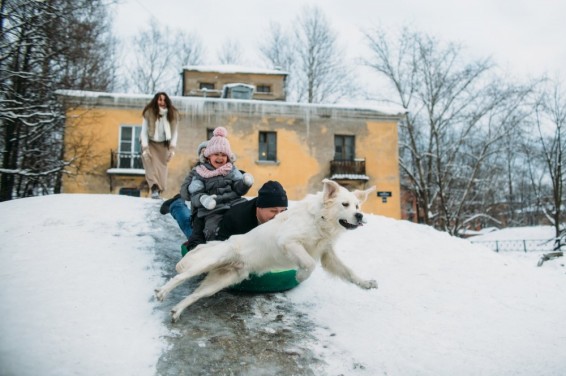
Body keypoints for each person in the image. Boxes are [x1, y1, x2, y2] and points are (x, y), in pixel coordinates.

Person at [185, 126, 254, 251]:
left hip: (233, 202)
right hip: (213, 208)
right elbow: (195, 193)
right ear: (208, 156)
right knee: (212, 229)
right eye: (216, 154)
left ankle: (249, 245)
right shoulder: (200, 172)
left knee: (247, 215)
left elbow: (238, 188)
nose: (220, 158)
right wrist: (204, 199)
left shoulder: (231, 170)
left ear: (228, 157)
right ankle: (214, 251)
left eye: (223, 155)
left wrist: (244, 183)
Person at [159, 141, 208, 239]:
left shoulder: (228, 170)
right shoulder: (197, 171)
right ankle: (177, 205)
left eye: (208, 152)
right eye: (203, 153)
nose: (205, 155)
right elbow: (186, 191)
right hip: (201, 216)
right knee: (195, 235)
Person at [216, 180, 288, 240]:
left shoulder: (286, 219)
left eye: (282, 211)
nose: (279, 216)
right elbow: (221, 248)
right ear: (259, 207)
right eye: (273, 211)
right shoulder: (235, 219)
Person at [140, 92, 178, 199]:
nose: (162, 102)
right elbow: (143, 131)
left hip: (163, 144)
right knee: (150, 165)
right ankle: (154, 188)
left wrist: (172, 149)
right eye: (160, 100)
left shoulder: (172, 114)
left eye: (164, 100)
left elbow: (175, 133)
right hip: (150, 142)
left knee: (162, 168)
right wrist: (145, 147)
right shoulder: (149, 112)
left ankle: (159, 190)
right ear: (156, 100)